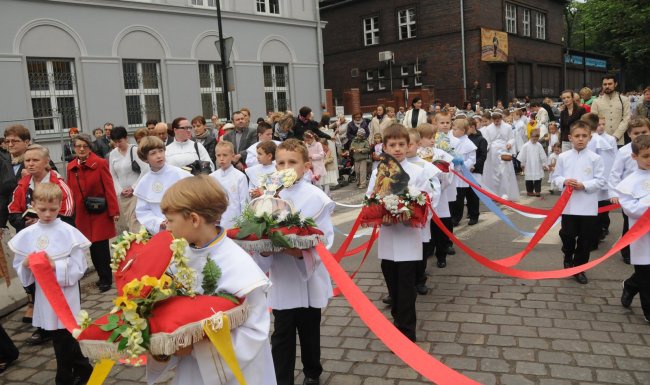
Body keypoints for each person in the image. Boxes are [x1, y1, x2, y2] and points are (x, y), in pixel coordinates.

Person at [150, 175, 275, 385]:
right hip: (191, 370)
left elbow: (254, 333)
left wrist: (194, 347)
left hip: (235, 375)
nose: (167, 228)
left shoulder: (240, 266)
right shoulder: (178, 256)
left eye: (171, 220)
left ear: (194, 219)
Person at [258, 139, 334, 385]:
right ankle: (282, 380)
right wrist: (265, 251)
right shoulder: (268, 197)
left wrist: (299, 252)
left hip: (308, 277)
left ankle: (312, 371)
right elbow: (259, 233)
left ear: (306, 165)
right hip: (282, 278)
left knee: (310, 330)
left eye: (293, 162)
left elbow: (325, 239)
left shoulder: (316, 198)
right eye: (281, 163)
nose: (286, 167)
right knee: (282, 333)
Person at [9, 183, 93, 385]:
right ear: (34, 205)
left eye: (53, 209)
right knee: (59, 334)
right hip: (46, 294)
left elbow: (79, 265)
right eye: (42, 209)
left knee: (65, 333)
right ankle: (83, 367)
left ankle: (65, 377)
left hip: (67, 292)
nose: (47, 214)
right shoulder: (28, 234)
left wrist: (55, 264)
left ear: (60, 206)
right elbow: (20, 265)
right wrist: (27, 264)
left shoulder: (68, 231)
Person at [366, 124, 430, 341]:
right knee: (393, 285)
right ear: (384, 147)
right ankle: (397, 319)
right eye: (392, 145)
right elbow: (370, 198)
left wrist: (410, 212)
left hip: (409, 237)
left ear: (409, 145)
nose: (397, 149)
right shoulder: (378, 171)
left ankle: (407, 332)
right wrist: (379, 213)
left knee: (406, 288)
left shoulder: (418, 172)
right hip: (387, 236)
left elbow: (427, 200)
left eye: (401, 144)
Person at [551, 121, 605, 284]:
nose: (580, 139)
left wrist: (584, 185)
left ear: (590, 137)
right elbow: (555, 178)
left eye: (584, 136)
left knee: (585, 239)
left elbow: (601, 181)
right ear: (570, 138)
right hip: (568, 206)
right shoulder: (563, 157)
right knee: (567, 235)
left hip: (588, 206)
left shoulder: (596, 158)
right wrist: (565, 181)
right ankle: (568, 254)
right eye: (577, 136)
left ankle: (579, 268)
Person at [66, 133, 119, 293]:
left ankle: (106, 279)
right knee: (90, 246)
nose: (81, 149)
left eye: (85, 146)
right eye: (78, 146)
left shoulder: (100, 163)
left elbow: (109, 187)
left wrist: (114, 210)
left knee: (100, 247)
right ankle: (101, 276)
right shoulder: (71, 166)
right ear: (74, 148)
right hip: (82, 213)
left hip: (99, 211)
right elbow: (69, 190)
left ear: (90, 148)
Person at [616, 135, 650, 323]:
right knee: (646, 276)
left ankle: (629, 285)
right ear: (635, 157)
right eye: (646, 156)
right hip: (642, 236)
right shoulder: (629, 183)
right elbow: (630, 209)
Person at [608, 117, 650, 264]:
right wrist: (614, 193)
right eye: (636, 133)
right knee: (630, 225)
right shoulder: (624, 152)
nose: (640, 135)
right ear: (629, 134)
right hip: (631, 194)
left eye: (644, 132)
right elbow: (615, 173)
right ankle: (627, 250)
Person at [406, 128, 442, 296]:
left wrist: (426, 207)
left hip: (421, 216)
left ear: (417, 144)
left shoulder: (426, 166)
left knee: (420, 249)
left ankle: (420, 279)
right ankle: (402, 285)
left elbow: (435, 189)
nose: (405, 148)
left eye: (409, 144)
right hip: (400, 220)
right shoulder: (393, 166)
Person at [134, 136, 191, 235]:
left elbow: (193, 199)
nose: (159, 156)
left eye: (161, 151)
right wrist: (159, 222)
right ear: (145, 158)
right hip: (161, 231)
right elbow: (142, 211)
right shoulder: (144, 182)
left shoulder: (180, 174)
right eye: (153, 153)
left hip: (183, 227)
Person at [582, 113, 617, 244]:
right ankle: (597, 232)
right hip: (597, 178)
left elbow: (613, 158)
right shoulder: (593, 139)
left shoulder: (601, 140)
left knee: (600, 207)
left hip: (600, 178)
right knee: (596, 207)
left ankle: (599, 231)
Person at [108, 126, 149, 234]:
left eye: (120, 141)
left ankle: (138, 245)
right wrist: (120, 190)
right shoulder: (113, 154)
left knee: (134, 221)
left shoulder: (135, 150)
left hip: (136, 193)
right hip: (122, 195)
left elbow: (145, 170)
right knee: (127, 222)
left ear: (126, 138)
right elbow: (112, 175)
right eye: (115, 142)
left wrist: (133, 187)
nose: (117, 144)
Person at [481, 109, 519, 201]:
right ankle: (495, 194)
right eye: (494, 120)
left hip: (504, 151)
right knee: (494, 174)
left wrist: (510, 143)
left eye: (498, 120)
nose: (496, 122)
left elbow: (512, 138)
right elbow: (488, 141)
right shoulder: (489, 128)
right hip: (493, 153)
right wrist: (487, 150)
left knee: (505, 173)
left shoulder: (508, 127)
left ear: (501, 118)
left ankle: (505, 194)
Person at [209, 141, 249, 229]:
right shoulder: (211, 177)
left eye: (225, 155)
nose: (221, 158)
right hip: (215, 223)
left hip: (234, 222)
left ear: (232, 156)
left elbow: (244, 202)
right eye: (218, 155)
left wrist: (243, 224)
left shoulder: (240, 177)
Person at [449, 119, 477, 226]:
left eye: (455, 129)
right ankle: (451, 216)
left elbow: (472, 159)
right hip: (451, 172)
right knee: (452, 196)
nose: (453, 131)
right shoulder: (450, 140)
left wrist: (462, 166)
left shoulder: (468, 143)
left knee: (460, 197)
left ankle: (456, 218)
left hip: (462, 174)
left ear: (463, 130)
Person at [591, 75, 631, 146]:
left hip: (620, 140)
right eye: (605, 84)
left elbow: (626, 119)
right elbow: (593, 121)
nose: (607, 86)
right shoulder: (596, 101)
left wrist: (616, 136)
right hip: (601, 141)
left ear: (615, 84)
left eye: (610, 84)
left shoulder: (624, 100)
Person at [465, 118, 487, 225]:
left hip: (475, 170)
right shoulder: (464, 139)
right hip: (464, 170)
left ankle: (474, 215)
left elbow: (482, 156)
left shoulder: (481, 140)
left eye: (466, 128)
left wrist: (474, 165)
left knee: (474, 194)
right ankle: (468, 212)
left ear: (472, 127)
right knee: (465, 193)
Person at [517, 129, 548, 197]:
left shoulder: (539, 145)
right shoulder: (526, 146)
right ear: (530, 136)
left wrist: (544, 163)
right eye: (533, 137)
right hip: (529, 164)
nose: (535, 139)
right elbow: (523, 155)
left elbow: (542, 155)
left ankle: (537, 191)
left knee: (538, 178)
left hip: (537, 164)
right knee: (529, 178)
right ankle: (530, 191)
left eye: (536, 138)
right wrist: (522, 163)